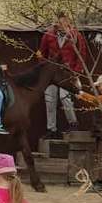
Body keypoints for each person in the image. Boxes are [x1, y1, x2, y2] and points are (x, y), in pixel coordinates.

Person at [38, 12, 87, 140]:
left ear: (67, 22)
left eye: (61, 22)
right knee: (49, 99)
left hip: (67, 73)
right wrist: (44, 68)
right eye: (57, 22)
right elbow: (41, 53)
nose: (59, 25)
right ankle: (51, 128)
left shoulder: (76, 36)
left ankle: (73, 123)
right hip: (51, 74)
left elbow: (81, 55)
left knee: (64, 97)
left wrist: (76, 71)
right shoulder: (49, 34)